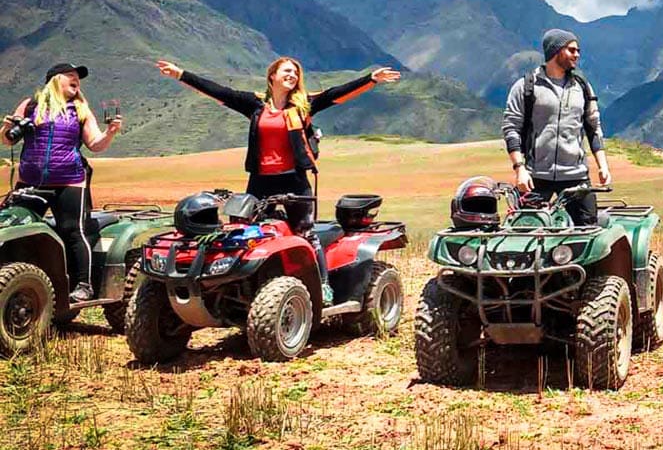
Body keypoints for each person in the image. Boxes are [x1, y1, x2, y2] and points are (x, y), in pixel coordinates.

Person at [155, 56, 401, 299]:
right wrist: (180, 74)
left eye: (295, 73)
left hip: (294, 180)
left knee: (305, 232)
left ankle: (323, 285)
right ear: (272, 75)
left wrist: (371, 79)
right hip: (260, 181)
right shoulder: (254, 104)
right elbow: (219, 92)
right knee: (245, 234)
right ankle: (246, 287)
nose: (292, 75)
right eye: (286, 71)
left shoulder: (303, 106)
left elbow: (335, 95)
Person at [3, 63, 123, 300]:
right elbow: (8, 141)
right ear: (55, 80)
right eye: (71, 75)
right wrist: (8, 127)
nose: (76, 80)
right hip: (30, 181)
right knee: (15, 225)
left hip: (69, 181)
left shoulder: (80, 109)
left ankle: (83, 286)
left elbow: (95, 145)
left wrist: (110, 132)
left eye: (78, 77)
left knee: (73, 231)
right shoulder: (30, 105)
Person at [503, 29, 611, 226]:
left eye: (578, 50)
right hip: (535, 176)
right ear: (556, 51)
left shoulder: (583, 87)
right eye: (571, 50)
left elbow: (594, 128)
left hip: (576, 176)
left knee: (588, 236)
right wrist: (519, 169)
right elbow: (511, 128)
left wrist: (603, 166)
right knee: (524, 232)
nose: (577, 55)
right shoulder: (526, 86)